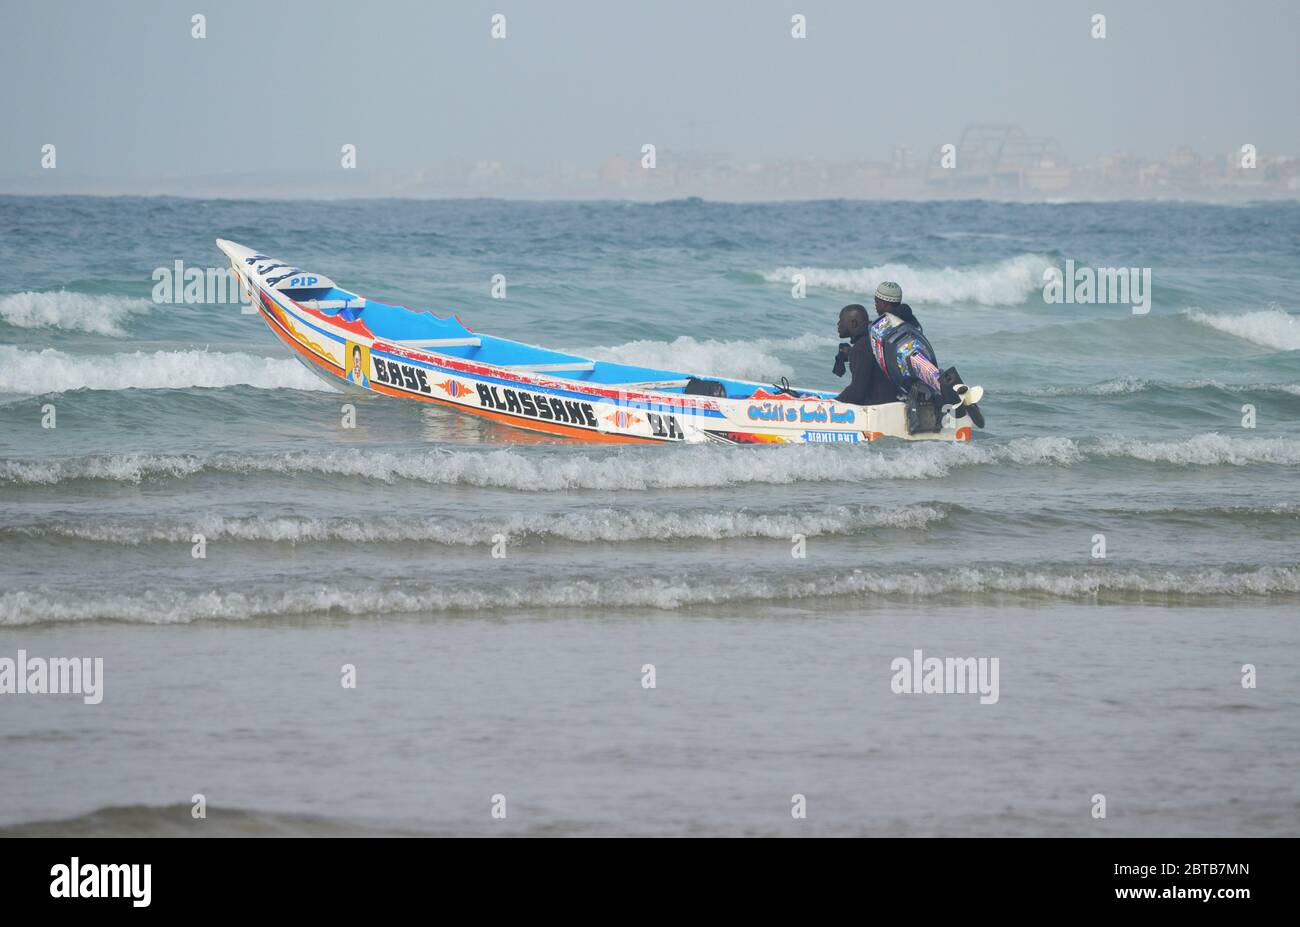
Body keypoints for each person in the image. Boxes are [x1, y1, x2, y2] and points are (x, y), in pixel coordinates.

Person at [832, 303, 899, 405]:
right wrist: (850, 355)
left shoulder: (861, 348)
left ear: (853, 323)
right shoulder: (875, 338)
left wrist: (833, 403)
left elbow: (857, 392)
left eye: (841, 321)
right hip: (893, 399)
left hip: (879, 406)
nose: (838, 324)